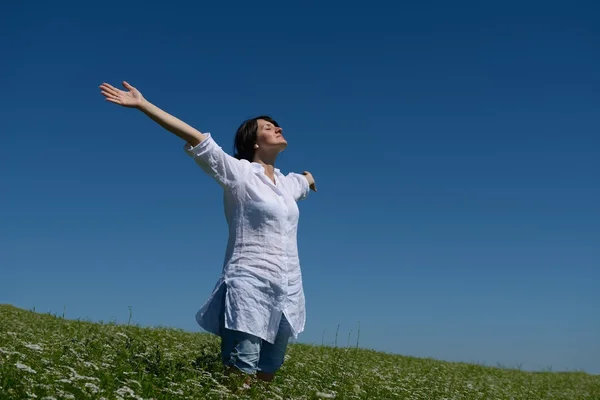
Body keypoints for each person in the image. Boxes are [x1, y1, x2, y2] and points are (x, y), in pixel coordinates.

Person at [99, 81, 316, 383]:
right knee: (242, 371)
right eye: (268, 127)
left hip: (288, 289)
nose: (277, 128)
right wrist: (143, 105)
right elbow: (195, 137)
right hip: (249, 282)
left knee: (269, 372)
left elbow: (304, 181)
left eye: (277, 125)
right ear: (254, 142)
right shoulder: (239, 173)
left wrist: (309, 178)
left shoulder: (288, 183)